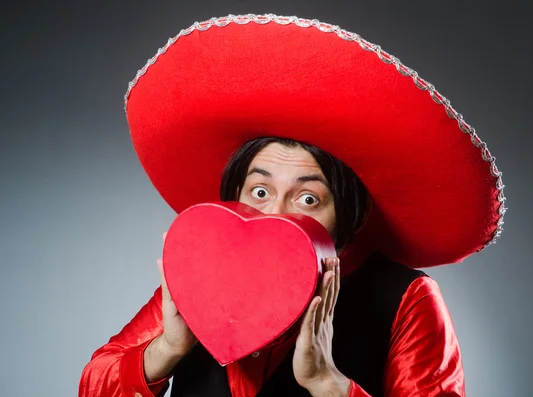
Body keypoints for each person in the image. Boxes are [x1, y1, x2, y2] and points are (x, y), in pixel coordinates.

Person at [79, 14, 505, 397]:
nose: (275, 217)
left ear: (348, 213)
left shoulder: (406, 298)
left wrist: (328, 383)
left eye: (307, 198)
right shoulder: (196, 277)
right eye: (260, 192)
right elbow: (94, 384)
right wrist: (168, 349)